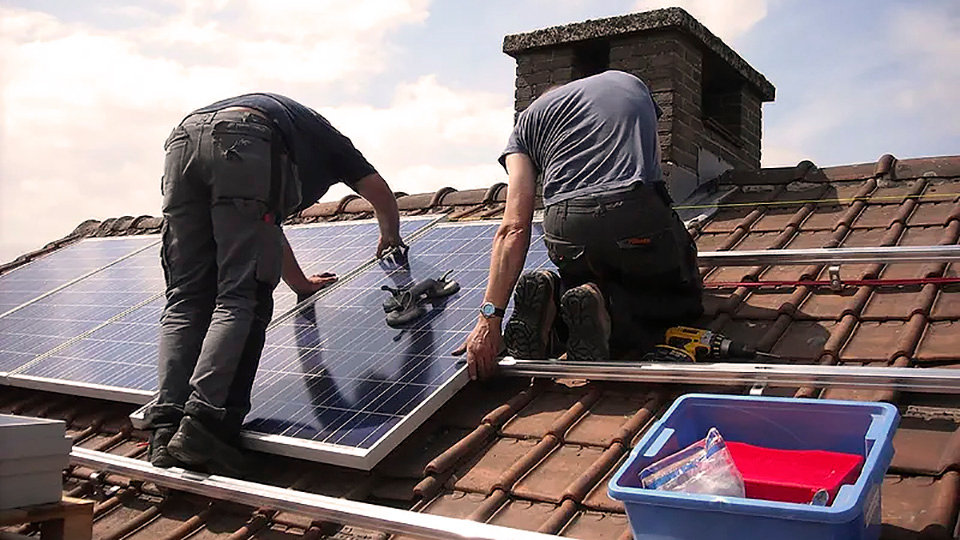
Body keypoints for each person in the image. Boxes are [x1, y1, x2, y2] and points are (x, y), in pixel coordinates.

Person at [144, 93, 404, 475]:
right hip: (244, 137)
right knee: (241, 297)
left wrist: (299, 283)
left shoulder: (297, 135)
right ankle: (205, 427)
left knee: (186, 297)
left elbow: (264, 230)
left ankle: (165, 430)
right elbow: (380, 192)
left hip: (183, 140)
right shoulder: (334, 145)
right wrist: (391, 236)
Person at [464, 70, 703, 380]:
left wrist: (490, 317)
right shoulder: (628, 82)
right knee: (682, 299)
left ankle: (554, 295)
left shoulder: (525, 123)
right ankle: (609, 308)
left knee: (585, 275)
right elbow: (652, 167)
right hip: (634, 211)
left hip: (566, 227)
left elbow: (514, 226)